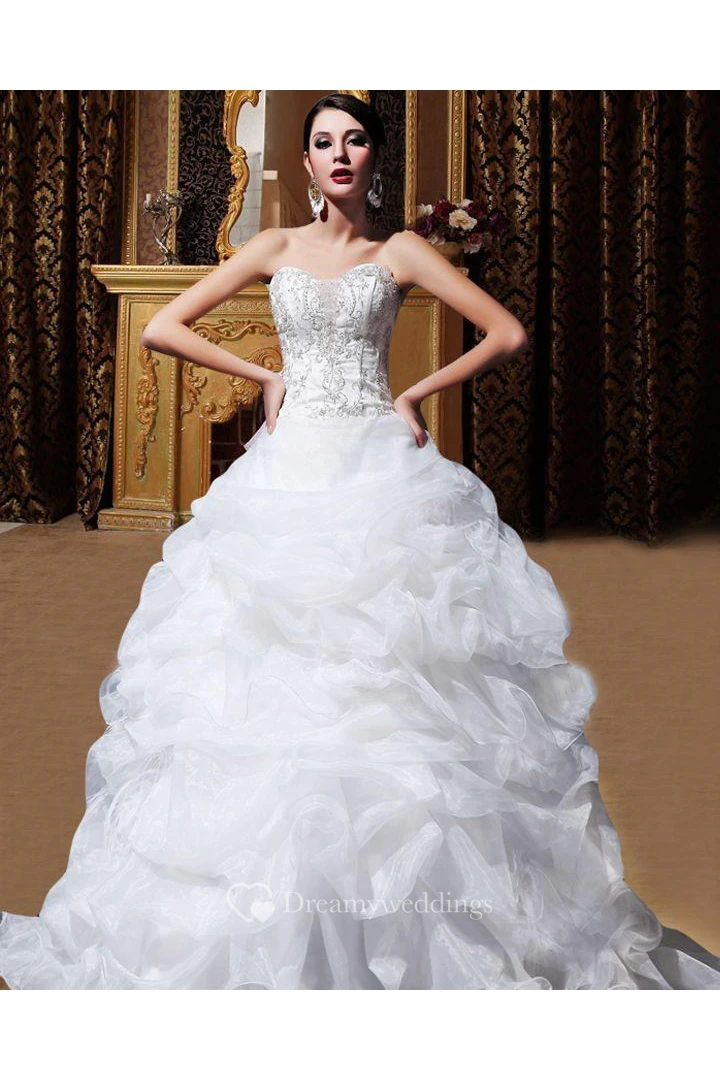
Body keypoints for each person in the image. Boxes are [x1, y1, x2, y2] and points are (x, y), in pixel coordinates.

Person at [1, 93, 718, 990]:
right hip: (289, 473)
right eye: (323, 143)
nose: (340, 154)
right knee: (266, 679)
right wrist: (266, 375)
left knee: (399, 684)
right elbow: (159, 325)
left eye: (354, 140)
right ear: (306, 165)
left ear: (375, 158)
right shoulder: (273, 246)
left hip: (382, 470)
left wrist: (413, 394)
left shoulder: (402, 251)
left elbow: (506, 332)